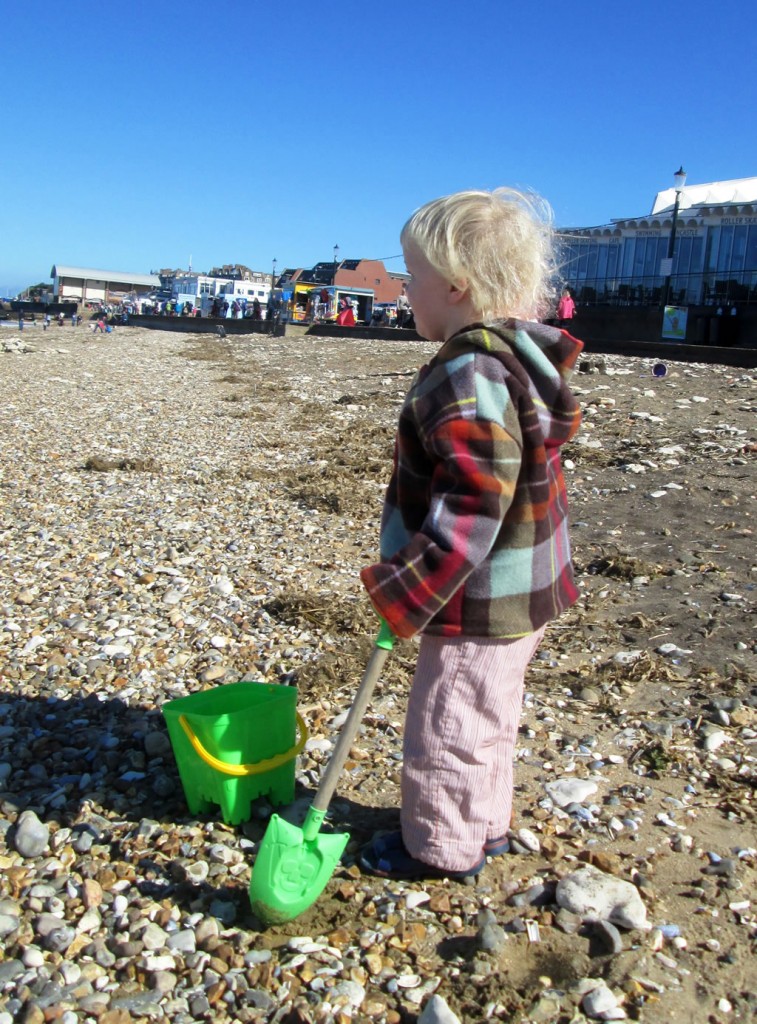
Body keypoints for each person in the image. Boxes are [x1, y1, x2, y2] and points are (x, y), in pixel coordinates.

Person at [359, 188, 583, 881]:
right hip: (524, 585)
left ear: (455, 286)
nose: (403, 292)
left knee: (448, 721)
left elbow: (475, 499)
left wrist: (407, 591)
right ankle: (483, 825)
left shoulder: (469, 369)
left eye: (410, 278)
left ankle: (439, 847)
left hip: (475, 595)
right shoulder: (516, 358)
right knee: (487, 711)